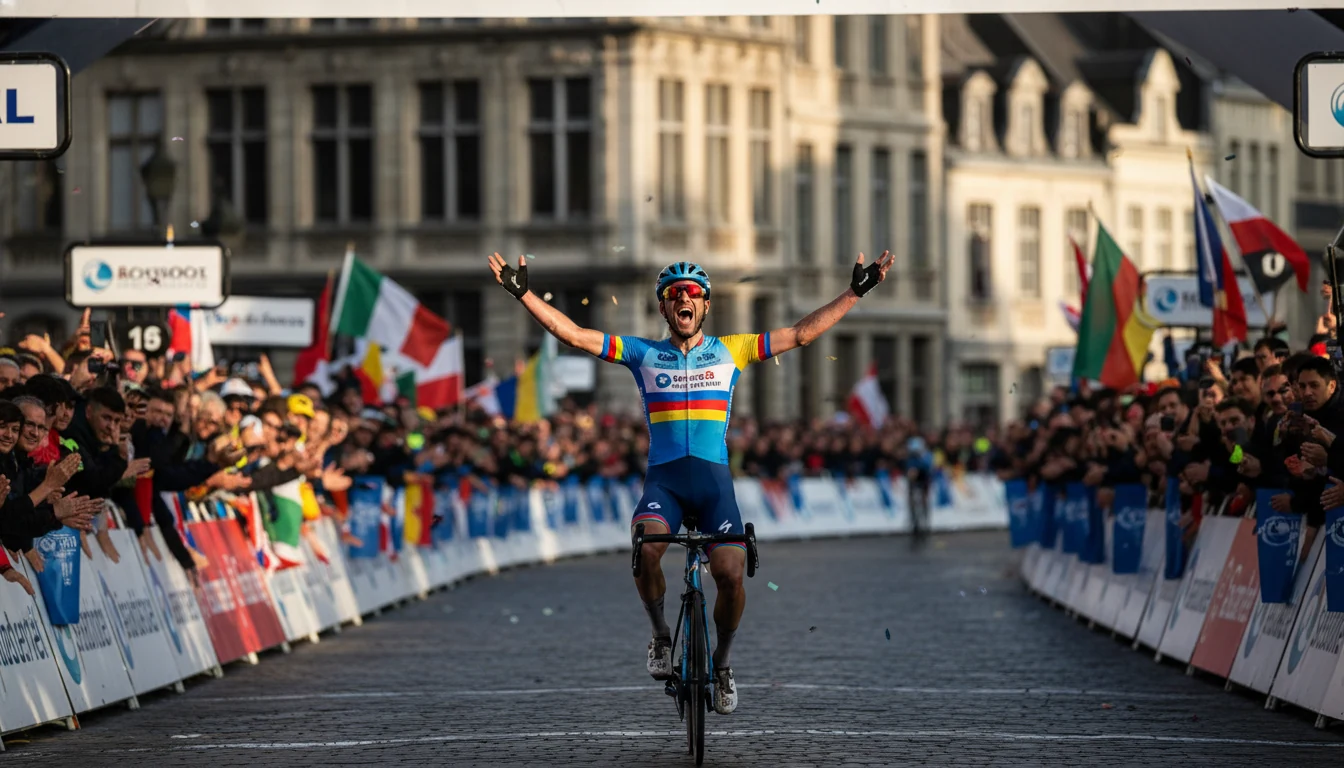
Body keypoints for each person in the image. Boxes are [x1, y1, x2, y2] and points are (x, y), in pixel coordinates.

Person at [487, 250, 894, 715]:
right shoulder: (643, 354)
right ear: (664, 308)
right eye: (674, 294)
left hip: (714, 485)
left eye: (693, 293)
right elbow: (575, 334)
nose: (684, 298)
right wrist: (523, 294)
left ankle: (721, 663)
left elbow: (801, 334)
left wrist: (856, 292)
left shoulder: (731, 349)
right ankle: (661, 634)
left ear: (705, 306)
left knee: (731, 576)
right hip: (665, 484)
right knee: (644, 550)